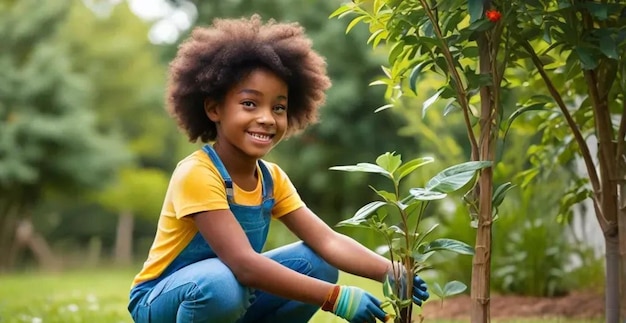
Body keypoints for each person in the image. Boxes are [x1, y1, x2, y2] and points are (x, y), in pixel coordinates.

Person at [127, 15, 429, 323]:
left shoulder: (271, 179)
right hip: (163, 301)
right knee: (218, 284)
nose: (267, 118)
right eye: (249, 104)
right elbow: (244, 264)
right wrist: (333, 297)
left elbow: (327, 241)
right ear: (214, 108)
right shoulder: (198, 173)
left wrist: (389, 271)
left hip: (231, 292)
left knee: (317, 262)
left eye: (278, 107)